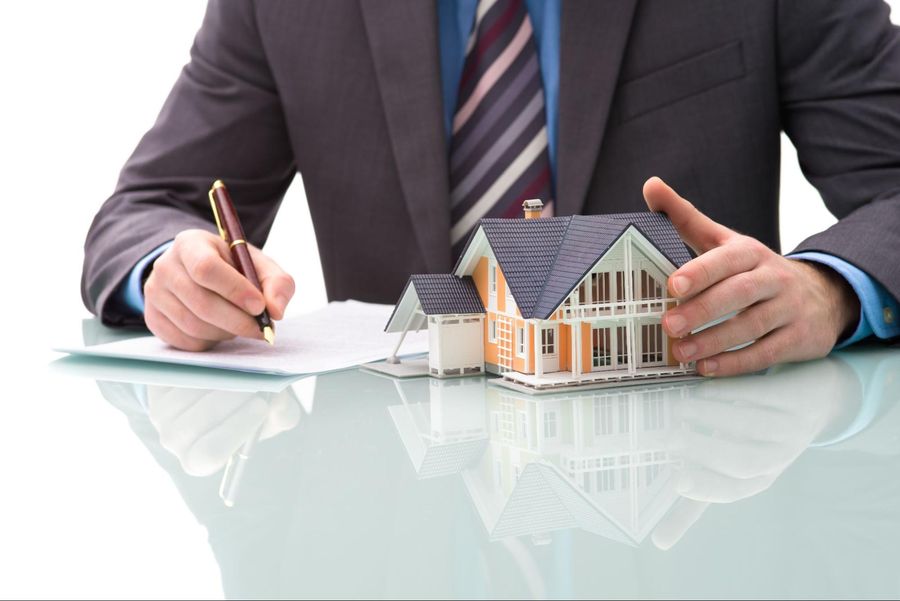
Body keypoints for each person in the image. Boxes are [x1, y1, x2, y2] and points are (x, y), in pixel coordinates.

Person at [82, 0, 900, 377]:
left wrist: (828, 289)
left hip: (694, 499)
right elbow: (147, 208)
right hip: (387, 514)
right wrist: (170, 271)